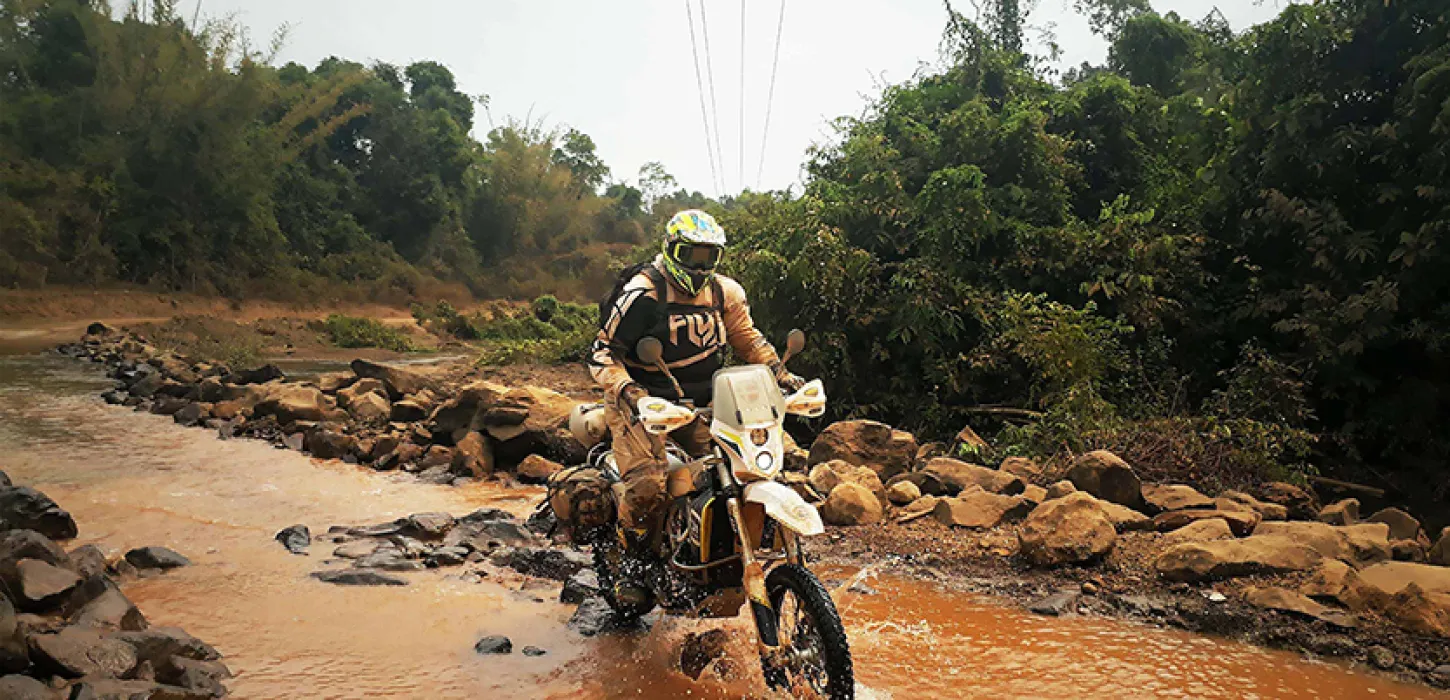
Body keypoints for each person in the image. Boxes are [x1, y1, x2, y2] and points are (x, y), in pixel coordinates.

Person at [586, 210, 799, 571]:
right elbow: (602, 352)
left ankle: (721, 546)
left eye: (709, 257)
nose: (700, 267)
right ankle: (633, 562)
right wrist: (630, 392)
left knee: (750, 467)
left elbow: (747, 339)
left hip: (705, 401)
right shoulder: (643, 293)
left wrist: (781, 373)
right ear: (671, 250)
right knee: (648, 489)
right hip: (642, 402)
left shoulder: (723, 292)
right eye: (691, 256)